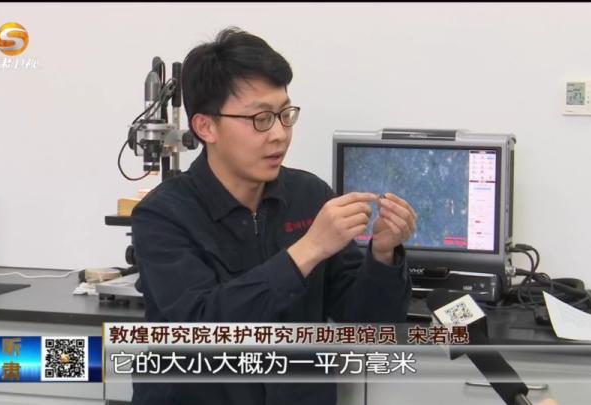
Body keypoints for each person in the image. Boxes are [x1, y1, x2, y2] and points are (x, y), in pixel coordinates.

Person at [130, 27, 416, 405]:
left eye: (285, 114)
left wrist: (382, 255)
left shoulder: (310, 195)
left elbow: (368, 324)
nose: (280, 134)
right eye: (261, 118)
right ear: (205, 126)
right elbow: (203, 330)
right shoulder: (163, 215)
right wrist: (308, 250)